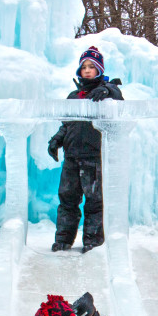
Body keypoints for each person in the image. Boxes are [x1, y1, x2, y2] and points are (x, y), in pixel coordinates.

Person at [47, 46, 123, 253]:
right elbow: (67, 124)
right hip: (71, 158)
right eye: (84, 67)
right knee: (67, 200)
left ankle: (92, 241)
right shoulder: (73, 96)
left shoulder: (107, 92)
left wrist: (107, 90)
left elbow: (119, 97)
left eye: (92, 67)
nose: (87, 70)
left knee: (94, 202)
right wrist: (57, 140)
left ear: (99, 70)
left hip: (94, 158)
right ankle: (63, 240)